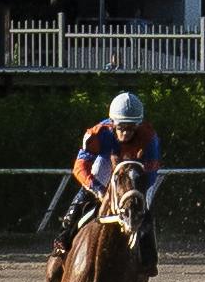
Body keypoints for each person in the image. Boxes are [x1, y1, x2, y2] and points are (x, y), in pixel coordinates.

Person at [59, 91, 158, 244]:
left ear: (138, 125)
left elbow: (151, 174)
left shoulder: (149, 137)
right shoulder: (99, 133)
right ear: (112, 123)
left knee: (144, 212)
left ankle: (149, 256)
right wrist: (98, 188)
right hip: (107, 162)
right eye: (121, 127)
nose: (126, 133)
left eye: (131, 128)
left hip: (135, 169)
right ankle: (66, 230)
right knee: (97, 170)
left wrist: (137, 193)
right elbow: (80, 167)